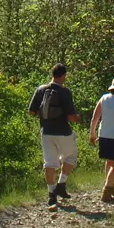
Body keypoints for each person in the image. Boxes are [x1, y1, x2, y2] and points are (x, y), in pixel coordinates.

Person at [28, 63, 80, 208]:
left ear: (52, 74)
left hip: (46, 132)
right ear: (63, 75)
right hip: (63, 132)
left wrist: (44, 115)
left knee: (49, 163)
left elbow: (31, 112)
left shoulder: (40, 90)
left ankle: (51, 195)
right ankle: (61, 185)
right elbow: (71, 117)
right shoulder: (64, 92)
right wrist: (78, 118)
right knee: (71, 156)